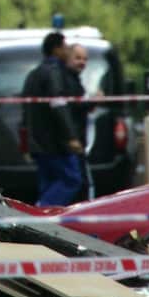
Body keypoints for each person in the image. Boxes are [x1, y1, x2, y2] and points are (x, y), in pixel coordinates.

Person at [22, 31, 83, 206]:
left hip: (38, 143)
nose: (67, 51)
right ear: (56, 49)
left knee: (48, 182)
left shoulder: (34, 74)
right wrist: (71, 136)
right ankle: (43, 213)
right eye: (64, 48)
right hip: (55, 143)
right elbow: (59, 106)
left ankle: (45, 225)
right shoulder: (55, 72)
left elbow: (26, 111)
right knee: (71, 179)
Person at [64, 43, 91, 202]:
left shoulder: (74, 79)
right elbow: (74, 107)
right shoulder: (68, 80)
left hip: (75, 140)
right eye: (78, 58)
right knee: (78, 183)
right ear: (68, 58)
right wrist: (93, 101)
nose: (82, 62)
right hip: (72, 143)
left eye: (85, 59)